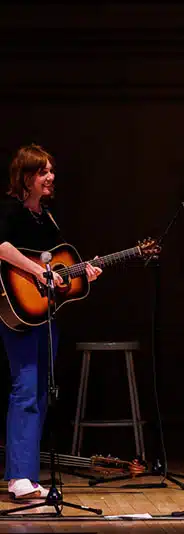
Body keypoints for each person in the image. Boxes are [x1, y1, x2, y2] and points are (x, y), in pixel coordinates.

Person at [0, 144, 102, 500]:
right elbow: (2, 247)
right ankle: (17, 477)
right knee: (25, 388)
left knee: (42, 391)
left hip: (45, 315)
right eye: (43, 172)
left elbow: (62, 265)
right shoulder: (11, 211)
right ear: (27, 177)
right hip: (19, 311)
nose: (50, 177)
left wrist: (83, 273)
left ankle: (28, 473)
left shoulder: (47, 217)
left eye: (51, 171)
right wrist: (38, 273)